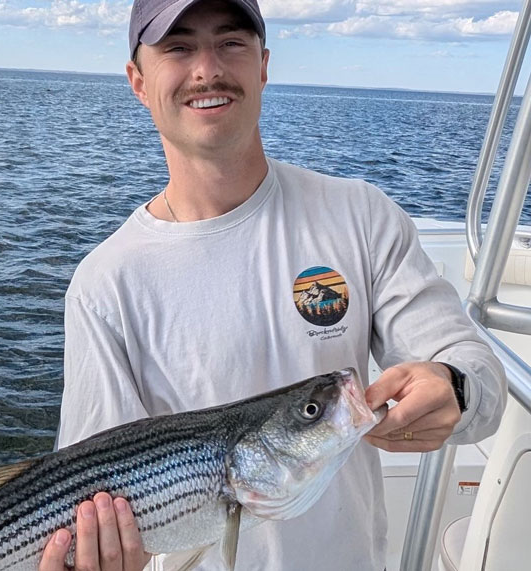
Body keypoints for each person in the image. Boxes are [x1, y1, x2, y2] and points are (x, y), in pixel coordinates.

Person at [39, 0, 507, 569]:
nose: (207, 69)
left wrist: (455, 387)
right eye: (178, 46)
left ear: (263, 64)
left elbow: (475, 373)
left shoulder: (359, 215)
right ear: (138, 81)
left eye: (230, 42)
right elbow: (92, 497)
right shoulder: (105, 284)